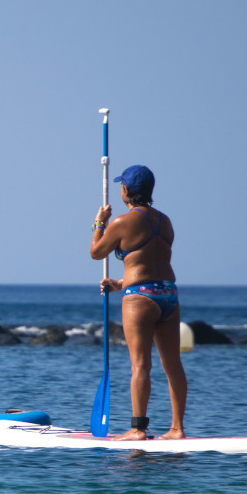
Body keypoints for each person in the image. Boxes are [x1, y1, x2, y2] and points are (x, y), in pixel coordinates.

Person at [90, 164, 186, 440]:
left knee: (140, 365)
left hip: (140, 298)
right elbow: (151, 262)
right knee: (173, 365)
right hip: (168, 292)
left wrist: (99, 222)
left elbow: (96, 252)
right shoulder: (165, 221)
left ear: (126, 190)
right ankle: (177, 428)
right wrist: (119, 284)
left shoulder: (122, 222)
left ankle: (137, 429)